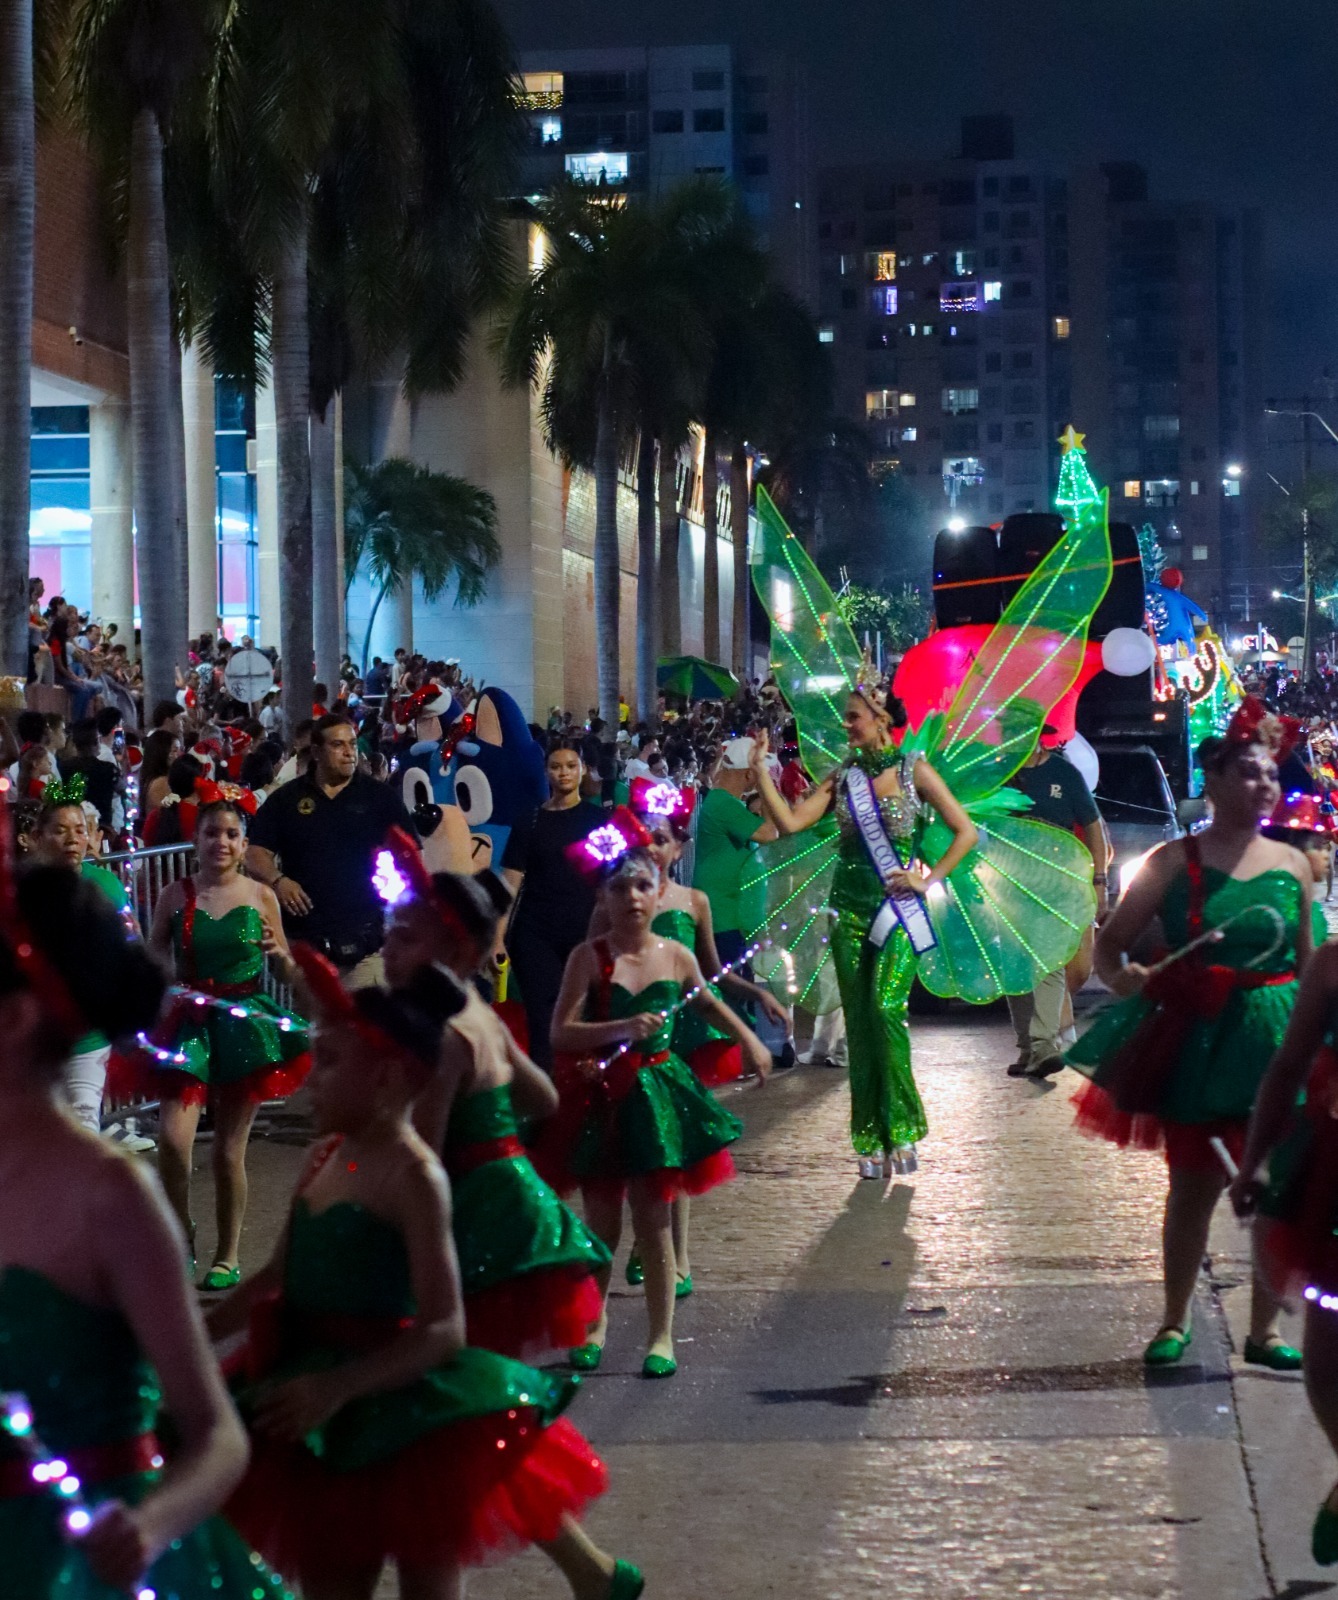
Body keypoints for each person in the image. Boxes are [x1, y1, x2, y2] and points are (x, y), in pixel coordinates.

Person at [211, 956, 638, 1600]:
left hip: (397, 1409)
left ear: (386, 1078)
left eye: (329, 1064)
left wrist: (338, 1387)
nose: (308, 1082)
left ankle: (594, 1577)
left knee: (425, 1573)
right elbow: (275, 1276)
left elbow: (443, 1329)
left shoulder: (415, 1177)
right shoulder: (325, 1153)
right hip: (310, 1400)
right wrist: (184, 1335)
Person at [0, 857, 294, 1599]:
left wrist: (151, 1525)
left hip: (90, 1567)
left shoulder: (110, 1195)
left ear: (14, 1021)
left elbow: (216, 1435)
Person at [1067, 702, 1312, 1368]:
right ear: (1215, 780)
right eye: (1249, 773)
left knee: (1278, 1188)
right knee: (1194, 1188)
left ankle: (1265, 1332)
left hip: (1277, 1048)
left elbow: (1308, 967)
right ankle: (1175, 1319)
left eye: (1271, 775)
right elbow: (1111, 949)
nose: (1264, 785)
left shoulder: (1294, 866)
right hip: (1199, 1045)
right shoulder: (1174, 861)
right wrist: (1128, 981)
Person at [544, 827, 770, 1378]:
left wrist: (753, 1040)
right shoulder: (586, 957)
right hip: (603, 1097)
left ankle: (661, 1336)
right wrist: (619, 1026)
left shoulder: (675, 955)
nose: (634, 898)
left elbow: (711, 1004)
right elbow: (560, 1033)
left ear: (659, 887)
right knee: (600, 1223)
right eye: (621, 889)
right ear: (604, 897)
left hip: (658, 1101)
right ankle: (593, 1325)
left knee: (655, 1225)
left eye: (643, 886)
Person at [747, 684, 980, 1178]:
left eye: (854, 717)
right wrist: (761, 772)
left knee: (885, 1007)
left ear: (881, 718)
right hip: (846, 910)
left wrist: (927, 878)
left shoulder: (914, 770)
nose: (847, 726)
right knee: (858, 1016)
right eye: (846, 718)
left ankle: (903, 1127)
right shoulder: (842, 777)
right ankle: (869, 1136)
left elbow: (966, 831)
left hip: (896, 909)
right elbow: (791, 823)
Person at [385, 854, 612, 1361]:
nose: (387, 950)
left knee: (455, 1352)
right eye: (389, 934)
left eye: (405, 938)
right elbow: (543, 1098)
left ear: (454, 948)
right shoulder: (479, 1012)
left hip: (471, 1208)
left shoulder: (445, 1034)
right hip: (509, 1196)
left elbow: (427, 1149)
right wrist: (500, 1134)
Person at [112, 799, 309, 1289]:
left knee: (227, 1153)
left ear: (243, 845)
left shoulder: (262, 896)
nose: (220, 842)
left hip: (245, 1025)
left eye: (230, 834)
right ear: (196, 841)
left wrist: (279, 954)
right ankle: (181, 1239)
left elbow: (288, 971)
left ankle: (228, 1254)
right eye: (211, 833)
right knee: (174, 1146)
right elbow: (156, 960)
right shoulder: (173, 897)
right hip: (189, 1025)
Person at [608, 776, 784, 1295]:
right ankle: (646, 1239)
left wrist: (758, 997)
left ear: (680, 845)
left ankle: (679, 1259)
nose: (655, 847)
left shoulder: (694, 901)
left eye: (665, 839)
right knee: (636, 1146)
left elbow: (714, 976)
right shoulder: (619, 903)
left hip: (683, 1038)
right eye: (648, 837)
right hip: (634, 1039)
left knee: (678, 1148)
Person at [1230, 931, 1338, 1564]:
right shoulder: (1331, 964)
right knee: (1326, 1350)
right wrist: (1252, 1164)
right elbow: (1285, 1069)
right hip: (1334, 1177)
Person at [247, 713, 413, 986]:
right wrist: (278, 881)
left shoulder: (379, 797)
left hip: (368, 942)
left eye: (352, 744)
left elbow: (410, 854)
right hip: (308, 945)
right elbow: (255, 854)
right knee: (315, 1028)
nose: (350, 753)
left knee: (364, 1028)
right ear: (316, 752)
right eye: (338, 745)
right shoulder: (287, 799)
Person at [26, 783, 139, 1134]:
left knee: (84, 1126)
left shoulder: (106, 884)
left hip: (87, 1040)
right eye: (60, 831)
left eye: (80, 830)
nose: (73, 839)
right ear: (37, 836)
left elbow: (130, 941)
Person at [1005, 732, 1109, 1078]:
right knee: (1017, 965)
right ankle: (1028, 1048)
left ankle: (1044, 1044)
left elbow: (1093, 827)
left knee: (1049, 958)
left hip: (1055, 881)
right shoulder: (999, 772)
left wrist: (1100, 880)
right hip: (1007, 883)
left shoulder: (1064, 774)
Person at [501, 738, 608, 1071]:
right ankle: (545, 1101)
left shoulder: (598, 820)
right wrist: (496, 938)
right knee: (543, 1018)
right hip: (535, 935)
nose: (564, 773)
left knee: (586, 1015)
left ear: (582, 770)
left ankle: (584, 1098)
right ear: (546, 772)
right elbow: (510, 884)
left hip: (586, 932)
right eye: (556, 767)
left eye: (571, 766)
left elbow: (613, 881)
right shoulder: (529, 821)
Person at [692, 737, 777, 981]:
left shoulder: (726, 802)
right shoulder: (722, 804)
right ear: (750, 775)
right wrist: (765, 788)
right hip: (724, 921)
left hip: (729, 919)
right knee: (734, 1001)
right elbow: (770, 833)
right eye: (761, 772)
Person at [138, 727, 183, 813]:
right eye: (175, 750)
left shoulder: (155, 779)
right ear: (162, 753)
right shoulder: (161, 782)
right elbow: (168, 814)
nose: (180, 754)